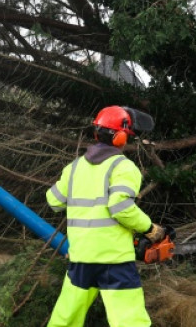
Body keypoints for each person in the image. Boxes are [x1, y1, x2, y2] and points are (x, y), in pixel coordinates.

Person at [46, 105, 163, 327]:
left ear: (96, 133)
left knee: (66, 318)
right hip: (114, 259)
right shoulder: (124, 167)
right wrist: (150, 228)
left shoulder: (74, 168)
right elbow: (120, 207)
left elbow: (53, 201)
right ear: (120, 138)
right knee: (129, 320)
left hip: (81, 256)